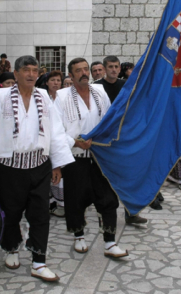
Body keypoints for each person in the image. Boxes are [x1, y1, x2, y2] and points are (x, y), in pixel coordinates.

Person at [0, 55, 74, 282]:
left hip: (39, 166)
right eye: (26, 70)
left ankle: (39, 261)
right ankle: (12, 247)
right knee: (11, 212)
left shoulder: (43, 96)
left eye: (35, 70)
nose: (32, 74)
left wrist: (58, 163)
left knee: (41, 214)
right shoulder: (2, 97)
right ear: (16, 74)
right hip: (10, 167)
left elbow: (56, 130)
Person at [55, 57, 128, 258]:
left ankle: (110, 241)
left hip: (99, 156)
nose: (84, 73)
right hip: (75, 156)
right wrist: (75, 142)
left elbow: (108, 120)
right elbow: (56, 130)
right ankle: (79, 236)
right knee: (76, 198)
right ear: (70, 75)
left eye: (86, 69)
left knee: (107, 197)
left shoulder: (100, 92)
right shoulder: (61, 97)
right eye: (78, 70)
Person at [94, 58, 148, 224]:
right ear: (104, 68)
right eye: (110, 67)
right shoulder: (95, 87)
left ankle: (131, 212)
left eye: (116, 67)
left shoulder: (126, 85)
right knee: (104, 177)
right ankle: (104, 210)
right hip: (103, 139)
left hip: (122, 138)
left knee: (127, 175)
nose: (114, 70)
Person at [45, 70, 65, 217]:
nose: (56, 83)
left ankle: (60, 203)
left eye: (58, 80)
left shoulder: (65, 98)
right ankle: (49, 201)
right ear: (47, 82)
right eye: (53, 80)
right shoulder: (42, 98)